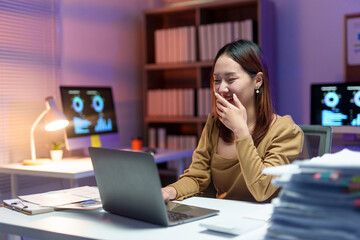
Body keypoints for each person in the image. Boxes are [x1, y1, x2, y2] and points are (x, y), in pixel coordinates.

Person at [162, 39, 304, 203]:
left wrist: (241, 132)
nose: (222, 89)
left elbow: (261, 189)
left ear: (258, 80)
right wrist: (169, 191)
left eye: (230, 79)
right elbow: (196, 177)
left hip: (267, 223)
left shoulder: (286, 131)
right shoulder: (215, 125)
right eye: (217, 80)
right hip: (224, 219)